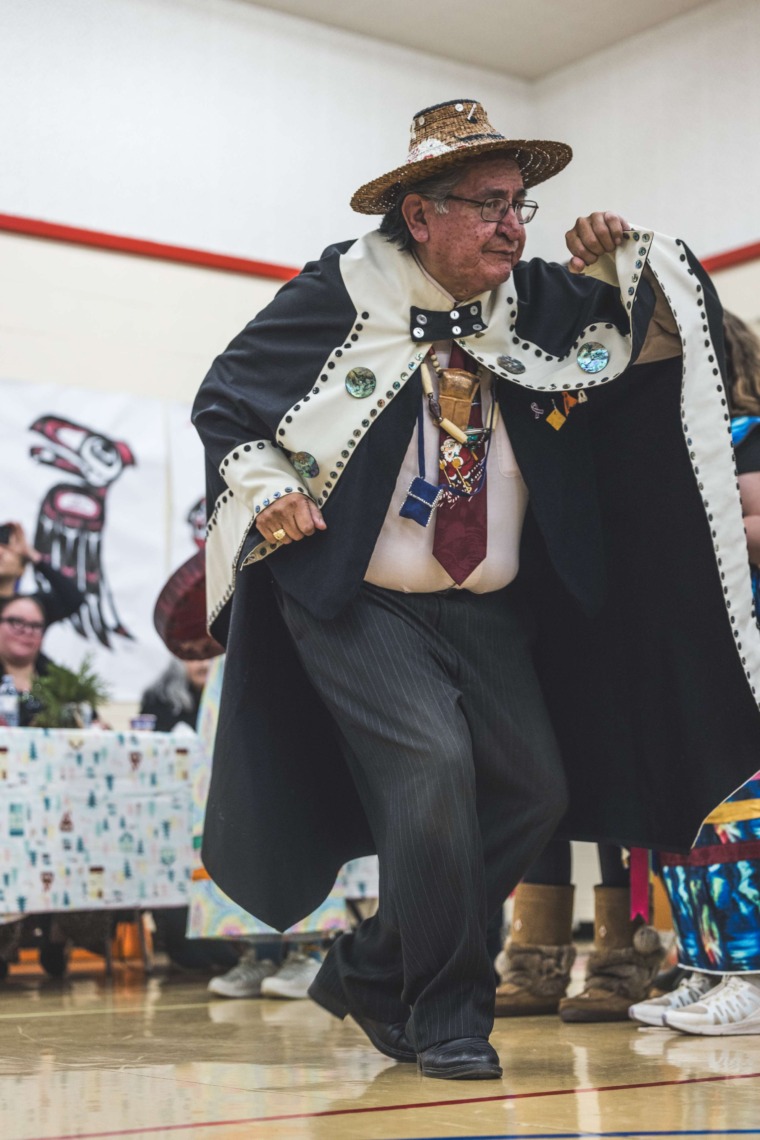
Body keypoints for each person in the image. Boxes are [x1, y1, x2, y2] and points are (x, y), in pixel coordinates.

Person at [191, 99, 760, 1080]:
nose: (512, 226)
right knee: (430, 771)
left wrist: (624, 263)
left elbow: (668, 357)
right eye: (489, 204)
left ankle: (375, 965)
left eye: (520, 205)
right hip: (360, 598)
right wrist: (269, 488)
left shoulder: (537, 301)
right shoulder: (337, 293)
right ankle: (448, 1011)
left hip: (490, 602)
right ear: (420, 215)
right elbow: (226, 404)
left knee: (534, 791)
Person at [629, 312, 760, 1036]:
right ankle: (706, 965)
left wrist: (684, 521)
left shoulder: (750, 434)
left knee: (740, 814)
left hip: (742, 650)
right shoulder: (663, 441)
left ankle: (751, 974)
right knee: (685, 818)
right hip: (679, 651)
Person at [0, 521, 85, 626]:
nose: (0, 553)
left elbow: (73, 599)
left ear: (21, 568)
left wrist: (35, 557)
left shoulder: (32, 608)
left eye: (8, 550)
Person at [139, 657, 211, 732]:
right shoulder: (158, 698)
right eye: (196, 659)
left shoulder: (214, 700)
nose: (205, 665)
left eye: (209, 658)